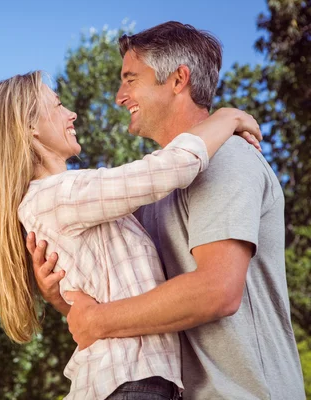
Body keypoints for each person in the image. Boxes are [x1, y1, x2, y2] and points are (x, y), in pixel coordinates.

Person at [28, 22, 305, 399]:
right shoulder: (154, 192)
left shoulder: (226, 158)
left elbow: (217, 291)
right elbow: (127, 306)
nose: (119, 96)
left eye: (130, 80)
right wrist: (62, 298)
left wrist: (98, 320)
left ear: (178, 80)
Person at [0, 69, 262, 399]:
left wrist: (60, 300)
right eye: (58, 105)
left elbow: (98, 302)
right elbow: (170, 168)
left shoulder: (58, 201)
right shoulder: (56, 196)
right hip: (129, 385)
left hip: (135, 384)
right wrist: (228, 116)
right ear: (30, 127)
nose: (71, 113)